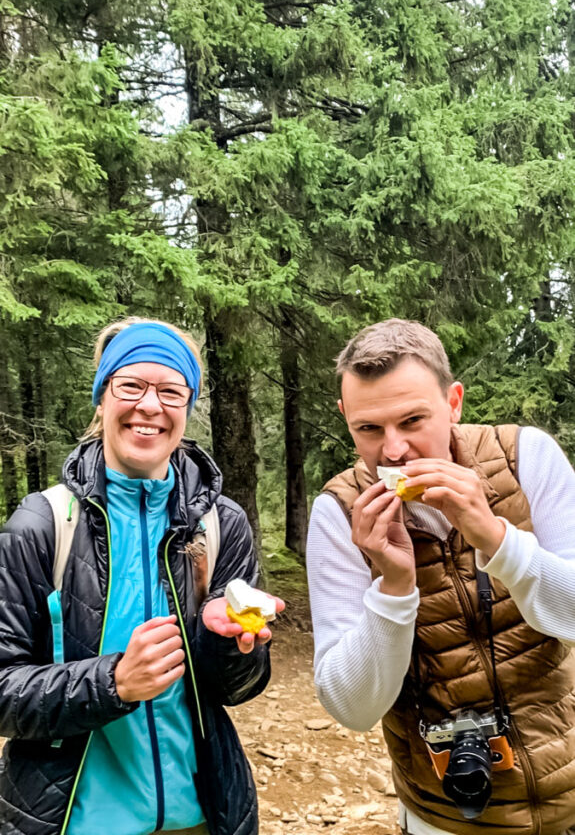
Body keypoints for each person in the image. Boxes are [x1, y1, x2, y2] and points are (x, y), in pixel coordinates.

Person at [0, 316, 283, 835]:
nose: (150, 406)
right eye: (130, 385)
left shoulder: (222, 524)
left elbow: (235, 690)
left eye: (171, 391)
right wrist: (113, 683)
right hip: (73, 820)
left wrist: (233, 646)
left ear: (187, 407)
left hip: (199, 817)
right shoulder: (42, 525)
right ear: (102, 397)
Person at [306, 318, 575, 835]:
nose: (393, 451)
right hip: (444, 817)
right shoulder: (338, 513)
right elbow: (352, 708)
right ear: (344, 418)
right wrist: (393, 586)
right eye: (368, 429)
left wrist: (496, 539)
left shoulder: (526, 457)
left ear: (453, 402)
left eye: (412, 421)